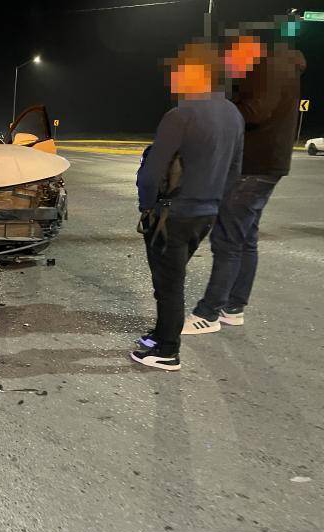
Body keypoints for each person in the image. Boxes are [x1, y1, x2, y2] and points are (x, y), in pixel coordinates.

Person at [184, 24, 306, 334]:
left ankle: (208, 314)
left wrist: (216, 108)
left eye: (231, 55)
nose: (229, 63)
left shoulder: (271, 68)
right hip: (265, 165)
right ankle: (233, 307)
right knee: (245, 238)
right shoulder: (276, 65)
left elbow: (254, 112)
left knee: (227, 240)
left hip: (253, 167)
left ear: (248, 46)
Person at [131, 42, 244, 371]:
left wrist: (146, 206)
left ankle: (167, 350)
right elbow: (234, 171)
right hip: (206, 214)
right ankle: (160, 334)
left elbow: (152, 171)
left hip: (172, 213)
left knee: (168, 283)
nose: (174, 79)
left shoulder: (180, 116)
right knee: (171, 278)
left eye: (180, 72)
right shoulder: (233, 115)